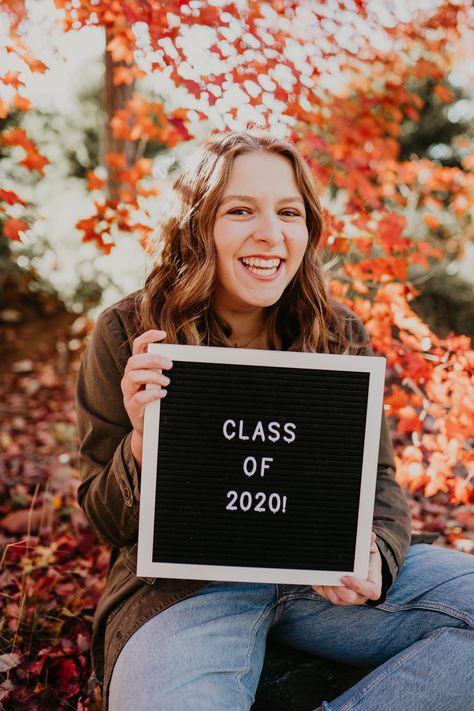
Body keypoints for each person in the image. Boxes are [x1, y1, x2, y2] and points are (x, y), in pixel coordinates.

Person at [76, 130, 474, 711]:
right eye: (240, 211)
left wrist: (373, 553)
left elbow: (379, 480)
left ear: (307, 229)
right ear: (198, 224)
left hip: (318, 572)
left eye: (288, 212)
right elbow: (106, 520)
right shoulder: (128, 333)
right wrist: (140, 442)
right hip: (185, 588)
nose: (270, 233)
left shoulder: (337, 333)